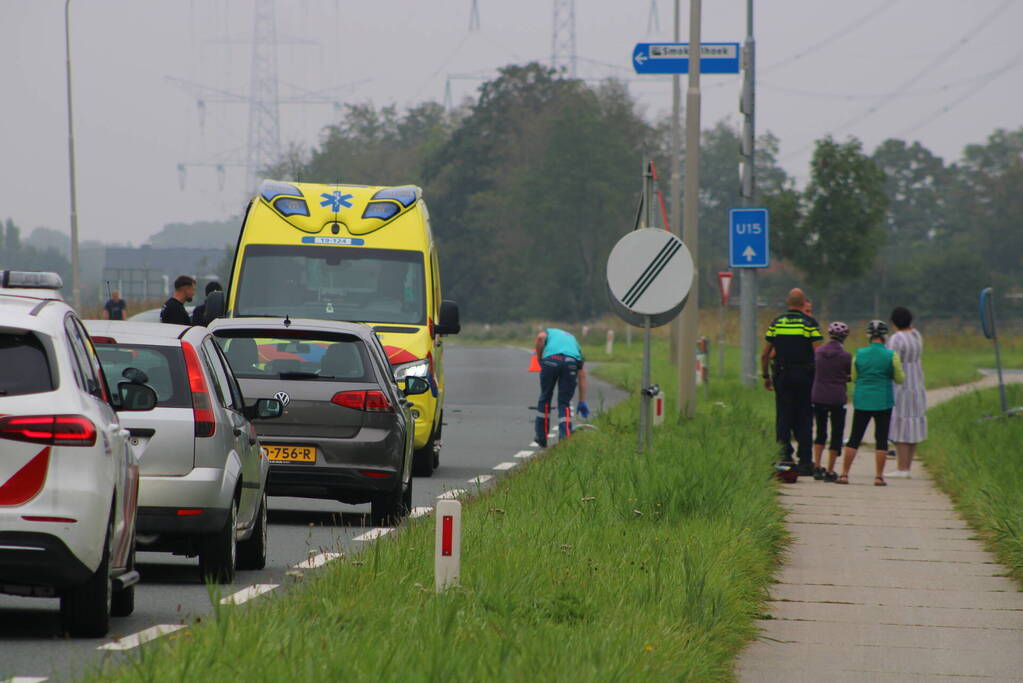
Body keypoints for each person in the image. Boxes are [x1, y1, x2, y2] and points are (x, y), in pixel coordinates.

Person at [762, 288, 824, 476]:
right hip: (805, 376)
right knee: (805, 416)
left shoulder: (777, 323)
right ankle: (805, 461)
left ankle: (784, 457)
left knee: (783, 416)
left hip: (782, 375)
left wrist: (766, 377)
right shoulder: (809, 323)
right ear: (802, 303)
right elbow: (818, 353)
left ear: (788, 303)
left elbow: (765, 354)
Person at [838, 320, 904, 486]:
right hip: (883, 400)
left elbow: (854, 377)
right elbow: (899, 378)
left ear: (869, 336)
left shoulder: (859, 354)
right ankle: (878, 476)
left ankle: (845, 474)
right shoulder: (891, 355)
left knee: (854, 437)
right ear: (884, 337)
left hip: (862, 399)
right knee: (881, 439)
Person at [886, 306, 926, 478]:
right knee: (914, 422)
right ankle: (907, 466)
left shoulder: (896, 338)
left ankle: (902, 468)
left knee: (901, 424)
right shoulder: (916, 335)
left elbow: (891, 361)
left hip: (901, 384)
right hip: (916, 382)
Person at [533, 327, 588, 447]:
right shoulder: (574, 341)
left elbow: (540, 338)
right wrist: (582, 401)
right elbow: (582, 374)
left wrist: (540, 359)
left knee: (545, 397)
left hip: (550, 362)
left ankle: (541, 437)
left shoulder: (549, 331)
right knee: (564, 403)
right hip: (570, 363)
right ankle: (565, 438)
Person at [811, 322, 851, 481]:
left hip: (819, 395)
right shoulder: (846, 356)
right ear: (845, 337)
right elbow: (848, 375)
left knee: (820, 431)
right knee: (836, 432)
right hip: (836, 396)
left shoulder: (818, 352)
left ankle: (817, 466)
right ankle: (830, 470)